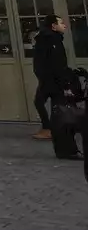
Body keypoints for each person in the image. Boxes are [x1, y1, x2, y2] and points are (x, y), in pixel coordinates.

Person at [32, 14, 77, 155]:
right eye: (61, 23)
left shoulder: (50, 39)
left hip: (49, 79)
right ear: (53, 26)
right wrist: (65, 82)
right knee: (49, 105)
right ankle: (51, 130)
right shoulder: (52, 40)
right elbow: (57, 63)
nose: (64, 25)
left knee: (50, 105)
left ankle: (51, 131)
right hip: (52, 80)